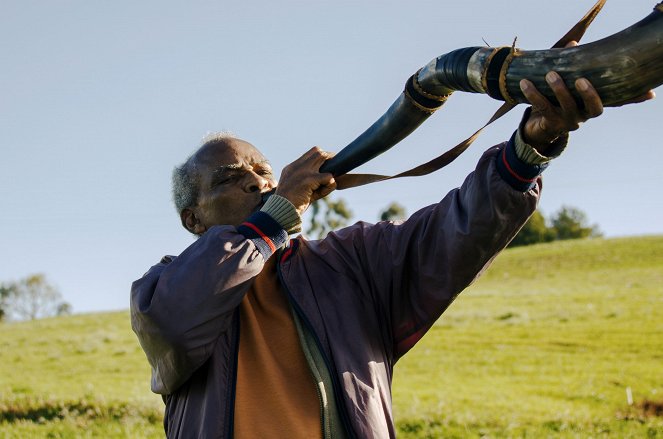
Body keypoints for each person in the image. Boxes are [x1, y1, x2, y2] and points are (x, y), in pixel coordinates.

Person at [130, 71, 653, 438]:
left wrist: (532, 146)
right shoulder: (161, 291)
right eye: (229, 178)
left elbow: (454, 233)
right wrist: (275, 214)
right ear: (193, 220)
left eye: (263, 171)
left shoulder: (350, 262)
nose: (258, 182)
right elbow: (178, 321)